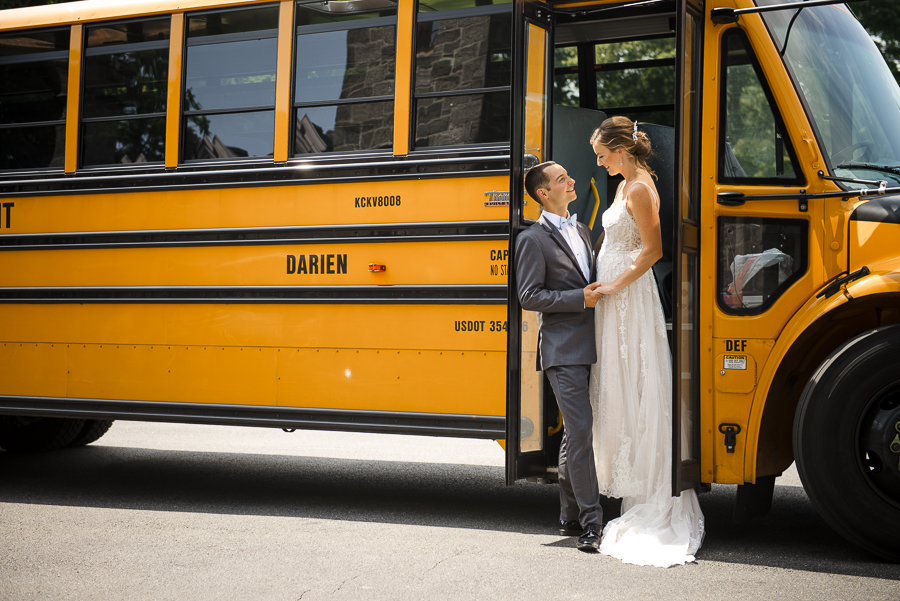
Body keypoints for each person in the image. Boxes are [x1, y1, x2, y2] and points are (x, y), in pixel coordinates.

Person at [588, 116, 705, 567]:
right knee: (618, 383)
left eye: (602, 154)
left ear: (622, 149)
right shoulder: (624, 185)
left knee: (635, 380)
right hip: (614, 294)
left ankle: (651, 491)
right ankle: (631, 480)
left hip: (629, 298)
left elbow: (653, 251)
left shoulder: (639, 188)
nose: (599, 162)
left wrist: (614, 285)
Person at [515, 161, 605, 552]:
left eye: (569, 175)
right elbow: (529, 296)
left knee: (575, 433)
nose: (571, 181)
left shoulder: (581, 228)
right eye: (561, 179)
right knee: (581, 430)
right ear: (543, 193)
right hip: (562, 349)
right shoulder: (531, 240)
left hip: (595, 343)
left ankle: (569, 514)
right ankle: (592, 522)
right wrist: (579, 299)